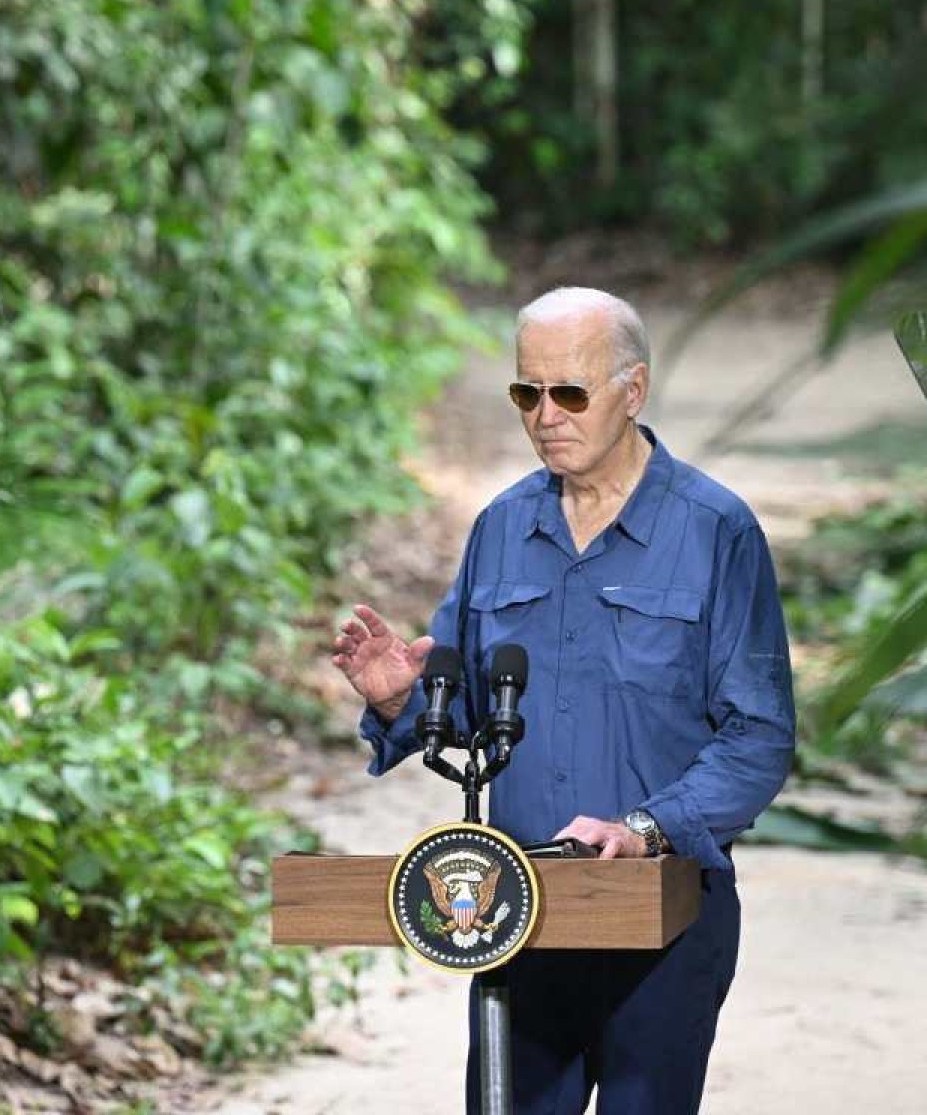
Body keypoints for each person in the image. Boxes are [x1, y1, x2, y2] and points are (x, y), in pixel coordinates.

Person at [328, 287, 796, 1115]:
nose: (546, 416)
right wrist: (406, 701)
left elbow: (758, 737)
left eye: (570, 392)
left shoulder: (715, 530)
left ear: (633, 389)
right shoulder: (503, 527)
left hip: (663, 919)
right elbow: (470, 706)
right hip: (521, 914)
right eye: (526, 393)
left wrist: (643, 829)